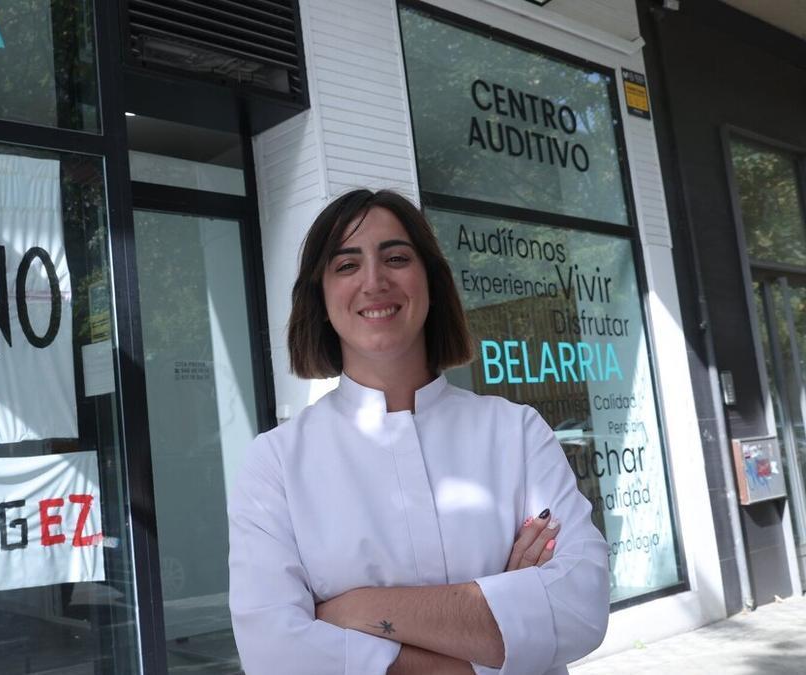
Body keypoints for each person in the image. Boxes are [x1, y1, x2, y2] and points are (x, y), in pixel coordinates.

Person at [227, 189, 609, 674]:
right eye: (346, 265)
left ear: (431, 281)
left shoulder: (516, 432)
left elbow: (580, 608)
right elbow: (275, 654)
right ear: (320, 300)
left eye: (396, 258)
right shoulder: (276, 463)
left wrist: (355, 611)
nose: (374, 280)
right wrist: (504, 627)